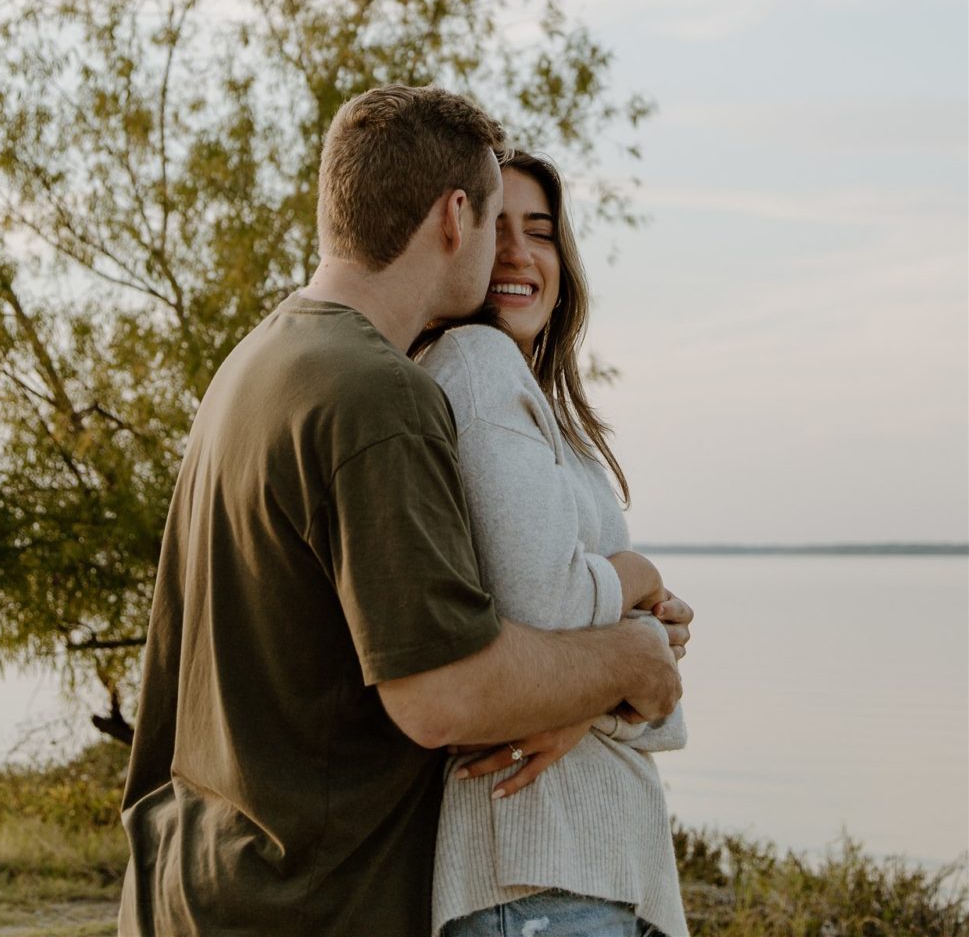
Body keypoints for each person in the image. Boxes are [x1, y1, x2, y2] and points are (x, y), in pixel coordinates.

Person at [118, 86, 682, 937]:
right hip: (302, 905)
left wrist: (583, 681)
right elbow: (445, 696)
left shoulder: (258, 364)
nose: (507, 249)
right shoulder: (376, 395)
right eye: (497, 220)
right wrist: (635, 661)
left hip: (194, 885)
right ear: (456, 215)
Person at [416, 150, 692, 937]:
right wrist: (637, 578)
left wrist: (613, 681)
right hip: (537, 869)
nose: (517, 253)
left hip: (578, 874)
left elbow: (658, 704)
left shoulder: (535, 404)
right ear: (453, 240)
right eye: (493, 227)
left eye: (538, 232)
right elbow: (540, 604)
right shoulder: (475, 363)